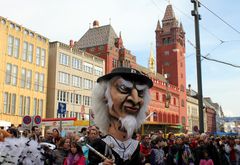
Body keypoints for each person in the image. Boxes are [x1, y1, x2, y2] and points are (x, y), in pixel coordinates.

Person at [88, 67, 153, 165]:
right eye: (123, 88)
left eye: (140, 93)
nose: (136, 100)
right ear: (104, 96)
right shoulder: (98, 145)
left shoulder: (135, 146)